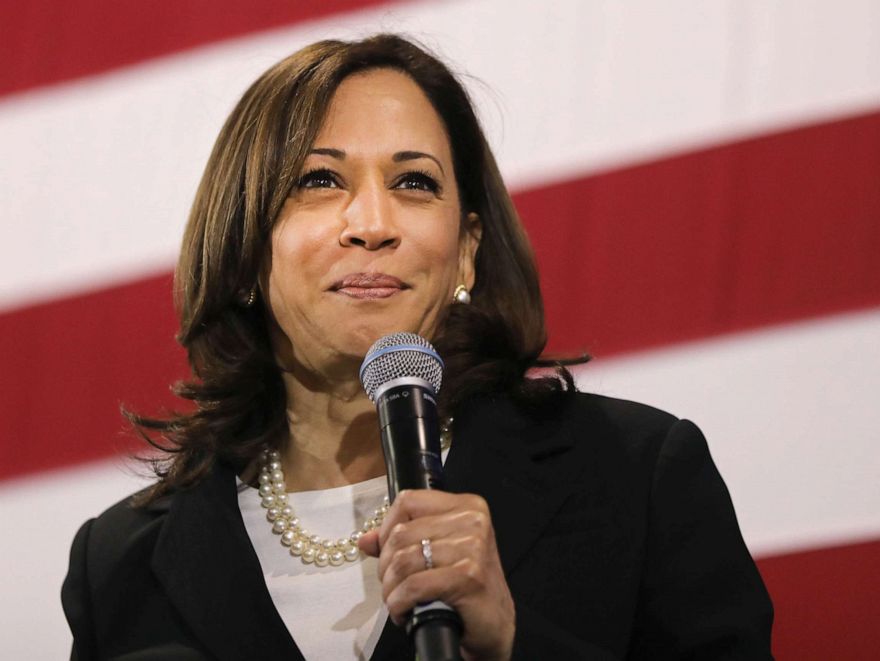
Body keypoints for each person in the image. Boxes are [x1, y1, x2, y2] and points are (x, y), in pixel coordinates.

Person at [62, 34, 773, 660]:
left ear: (466, 252)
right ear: (246, 252)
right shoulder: (120, 562)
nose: (373, 224)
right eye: (319, 180)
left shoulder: (636, 475)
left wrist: (510, 644)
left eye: (413, 182)